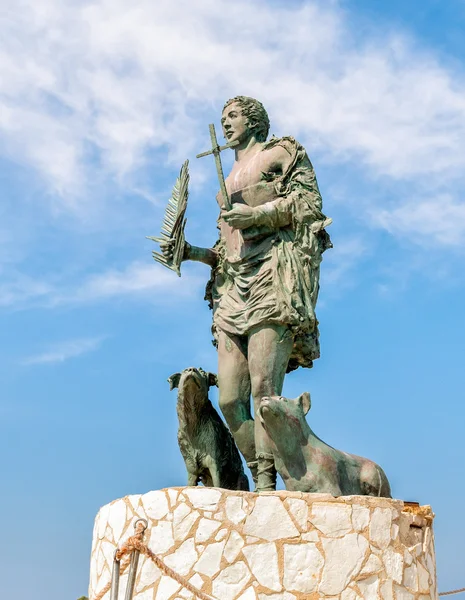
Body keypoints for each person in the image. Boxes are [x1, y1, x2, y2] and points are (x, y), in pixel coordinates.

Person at [161, 96, 332, 491]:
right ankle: (258, 471)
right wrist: (191, 253)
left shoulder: (280, 153)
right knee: (228, 399)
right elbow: (226, 250)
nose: (225, 124)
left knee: (264, 391)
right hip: (232, 290)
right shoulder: (228, 180)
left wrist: (257, 215)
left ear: (255, 120)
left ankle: (269, 485)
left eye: (233, 116)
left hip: (273, 278)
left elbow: (309, 204)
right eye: (222, 119)